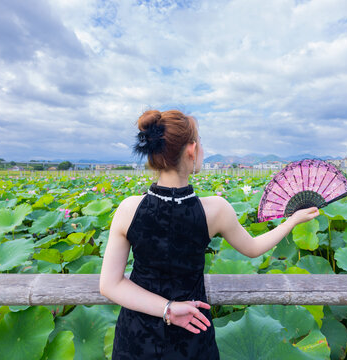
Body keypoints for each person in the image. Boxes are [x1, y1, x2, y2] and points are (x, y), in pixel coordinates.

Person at [99, 109, 320, 359]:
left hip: (136, 336)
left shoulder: (128, 209)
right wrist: (291, 221)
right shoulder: (216, 210)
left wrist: (167, 309)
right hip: (193, 335)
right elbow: (254, 248)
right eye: (201, 142)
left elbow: (110, 284)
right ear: (191, 150)